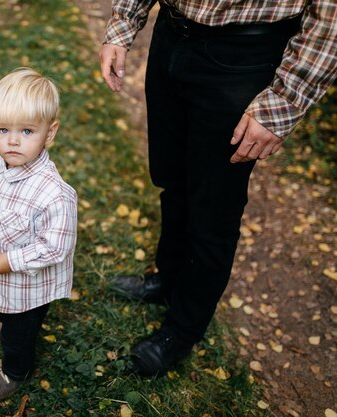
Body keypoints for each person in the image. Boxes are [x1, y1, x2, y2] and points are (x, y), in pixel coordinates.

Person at [99, 0, 337, 376]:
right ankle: (169, 279)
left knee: (213, 212)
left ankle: (182, 330)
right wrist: (124, 23)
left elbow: (331, 14)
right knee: (171, 180)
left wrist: (286, 100)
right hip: (171, 36)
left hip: (242, 57)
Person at [0, 68, 78, 401]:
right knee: (4, 314)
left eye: (27, 131)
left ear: (49, 133)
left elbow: (56, 247)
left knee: (19, 334)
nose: (12, 141)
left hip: (29, 288)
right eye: (3, 129)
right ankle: (6, 322)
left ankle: (16, 372)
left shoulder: (54, 194)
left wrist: (12, 260)